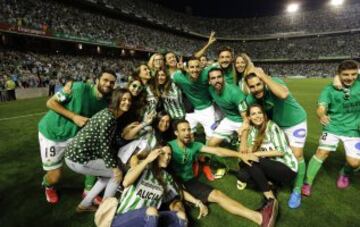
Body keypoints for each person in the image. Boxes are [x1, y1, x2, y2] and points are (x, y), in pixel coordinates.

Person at [168, 119, 278, 227]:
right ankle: (260, 218)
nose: (187, 133)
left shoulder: (194, 145)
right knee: (180, 209)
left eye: (189, 129)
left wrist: (240, 155)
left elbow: (217, 151)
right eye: (183, 130)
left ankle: (259, 218)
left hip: (190, 182)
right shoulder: (169, 147)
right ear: (176, 133)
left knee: (217, 195)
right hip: (175, 185)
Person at [38, 69, 116, 204]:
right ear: (97, 80)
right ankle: (48, 186)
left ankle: (88, 191)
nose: (108, 84)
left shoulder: (104, 104)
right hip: (51, 134)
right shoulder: (78, 88)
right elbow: (50, 103)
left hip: (74, 136)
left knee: (93, 155)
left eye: (112, 82)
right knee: (55, 176)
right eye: (105, 80)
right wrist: (74, 117)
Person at [244, 67, 307, 208]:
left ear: (263, 81)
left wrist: (264, 77)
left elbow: (283, 94)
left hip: (295, 121)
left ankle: (297, 189)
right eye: (252, 86)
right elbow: (248, 114)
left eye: (258, 84)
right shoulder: (251, 98)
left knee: (297, 154)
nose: (256, 89)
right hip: (278, 124)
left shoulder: (274, 82)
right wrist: (244, 128)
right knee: (278, 154)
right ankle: (275, 180)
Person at [64, 88, 132, 212]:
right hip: (78, 158)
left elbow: (110, 141)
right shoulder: (109, 118)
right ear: (116, 100)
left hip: (74, 156)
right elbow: (104, 146)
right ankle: (105, 211)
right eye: (123, 99)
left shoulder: (109, 114)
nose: (127, 102)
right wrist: (115, 169)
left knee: (106, 176)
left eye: (129, 100)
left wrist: (129, 132)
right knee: (116, 174)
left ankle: (84, 205)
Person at [302, 60, 360, 195]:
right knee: (321, 153)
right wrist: (321, 115)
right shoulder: (329, 90)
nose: (350, 78)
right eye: (345, 74)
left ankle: (344, 172)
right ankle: (307, 183)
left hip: (353, 129)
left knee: (354, 163)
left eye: (353, 74)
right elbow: (321, 107)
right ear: (338, 74)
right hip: (332, 126)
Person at [111, 145, 188, 227]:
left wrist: (197, 203)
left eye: (169, 154)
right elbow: (126, 182)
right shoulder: (142, 166)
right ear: (155, 154)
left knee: (181, 216)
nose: (167, 157)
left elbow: (175, 197)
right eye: (163, 153)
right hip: (125, 217)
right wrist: (147, 160)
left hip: (152, 219)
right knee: (151, 211)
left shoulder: (167, 176)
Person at [237, 104, 298, 204]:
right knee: (242, 174)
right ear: (249, 117)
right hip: (270, 166)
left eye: (259, 113)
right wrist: (243, 132)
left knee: (250, 162)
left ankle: (270, 198)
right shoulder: (252, 130)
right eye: (253, 114)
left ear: (264, 115)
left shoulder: (272, 126)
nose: (257, 116)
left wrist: (257, 154)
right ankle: (272, 184)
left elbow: (281, 151)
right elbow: (246, 153)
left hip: (287, 169)